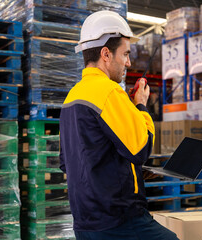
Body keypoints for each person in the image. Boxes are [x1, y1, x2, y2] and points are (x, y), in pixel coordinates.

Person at [59, 10, 178, 240]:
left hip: (85, 221)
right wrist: (141, 106)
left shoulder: (72, 97)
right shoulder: (109, 92)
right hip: (118, 219)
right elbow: (141, 148)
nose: (129, 62)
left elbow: (70, 162)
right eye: (125, 54)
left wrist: (128, 172)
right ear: (106, 54)